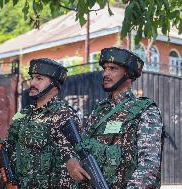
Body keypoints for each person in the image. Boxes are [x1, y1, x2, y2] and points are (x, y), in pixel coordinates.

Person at [67, 47, 163, 189]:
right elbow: (82, 148)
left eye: (113, 68)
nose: (106, 73)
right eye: (105, 68)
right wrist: (72, 162)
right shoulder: (99, 110)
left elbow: (148, 165)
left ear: (129, 74)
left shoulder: (145, 110)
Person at [0, 58, 84, 188]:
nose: (32, 82)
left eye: (39, 79)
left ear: (54, 84)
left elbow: (71, 160)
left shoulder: (64, 115)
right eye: (32, 78)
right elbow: (11, 146)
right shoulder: (24, 114)